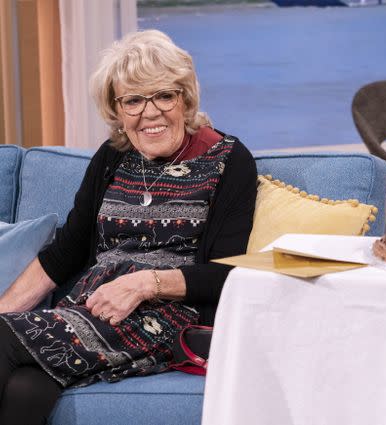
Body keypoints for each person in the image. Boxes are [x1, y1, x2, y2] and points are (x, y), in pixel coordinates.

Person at [0, 29, 257, 424]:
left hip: (166, 317)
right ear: (117, 110)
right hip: (92, 310)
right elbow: (65, 251)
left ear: (185, 98)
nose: (149, 113)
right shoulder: (113, 156)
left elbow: (227, 272)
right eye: (133, 100)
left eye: (163, 95)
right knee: (26, 384)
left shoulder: (228, 160)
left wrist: (143, 284)